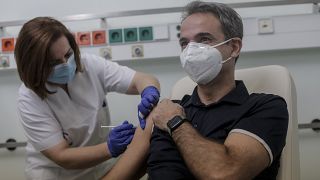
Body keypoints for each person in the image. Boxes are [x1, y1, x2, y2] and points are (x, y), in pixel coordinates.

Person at [147, 1, 288, 180]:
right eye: (184, 43)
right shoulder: (168, 109)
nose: (190, 51)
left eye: (204, 39)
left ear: (234, 47)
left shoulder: (265, 107)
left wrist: (175, 123)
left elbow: (225, 173)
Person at [14, 17, 160, 180]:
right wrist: (110, 148)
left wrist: (150, 91)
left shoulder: (89, 65)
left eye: (68, 54)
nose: (65, 63)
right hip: (56, 174)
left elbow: (142, 79)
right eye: (54, 63)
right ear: (35, 66)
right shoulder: (28, 98)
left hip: (101, 166)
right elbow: (62, 156)